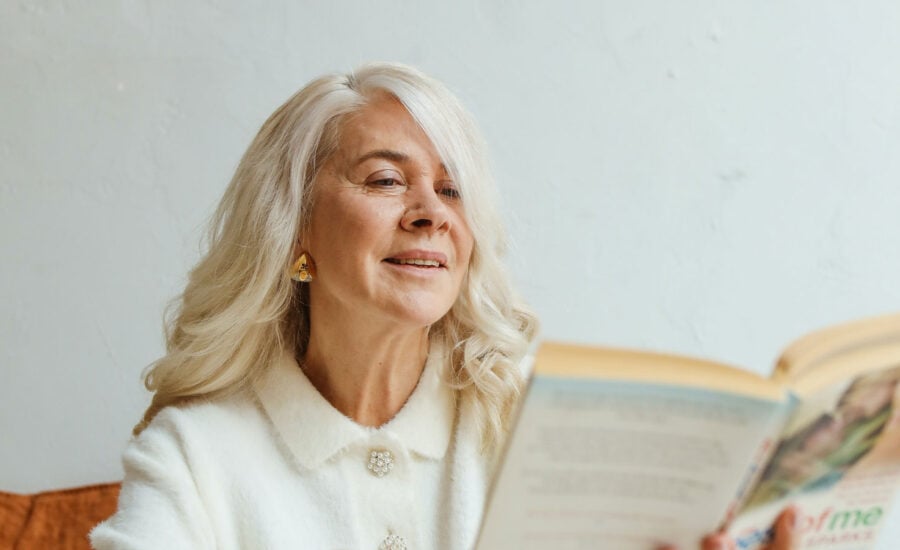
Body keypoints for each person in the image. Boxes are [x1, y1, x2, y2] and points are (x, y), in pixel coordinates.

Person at [90, 62, 796, 550]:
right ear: (296, 231)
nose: (431, 213)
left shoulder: (526, 419)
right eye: (386, 179)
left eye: (452, 190)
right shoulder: (195, 456)